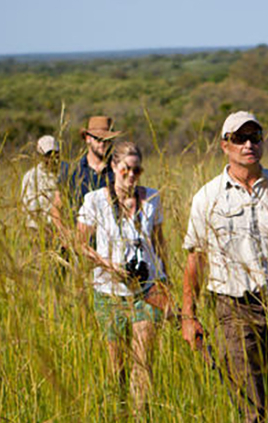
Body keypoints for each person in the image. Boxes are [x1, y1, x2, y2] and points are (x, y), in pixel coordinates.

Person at [180, 111, 268, 423]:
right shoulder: (207, 197)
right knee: (252, 404)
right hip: (231, 309)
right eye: (240, 138)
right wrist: (188, 316)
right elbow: (196, 258)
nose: (248, 144)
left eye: (255, 137)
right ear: (225, 145)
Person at [72, 141, 169, 416]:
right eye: (126, 168)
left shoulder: (151, 198)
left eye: (137, 170)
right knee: (118, 367)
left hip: (147, 291)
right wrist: (110, 266)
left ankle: (141, 414)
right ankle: (120, 412)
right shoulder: (95, 200)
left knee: (143, 362)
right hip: (109, 292)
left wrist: (166, 281)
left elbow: (159, 244)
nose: (131, 175)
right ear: (114, 167)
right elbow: (79, 244)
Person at [21, 134, 70, 243]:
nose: (52, 159)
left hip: (64, 230)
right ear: (40, 156)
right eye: (48, 155)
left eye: (55, 154)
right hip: (39, 230)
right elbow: (30, 209)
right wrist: (50, 230)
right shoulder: (31, 177)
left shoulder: (67, 170)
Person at [69, 116, 121, 207]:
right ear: (88, 138)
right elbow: (58, 207)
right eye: (98, 139)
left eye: (107, 140)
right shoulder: (74, 170)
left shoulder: (119, 169)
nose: (102, 144)